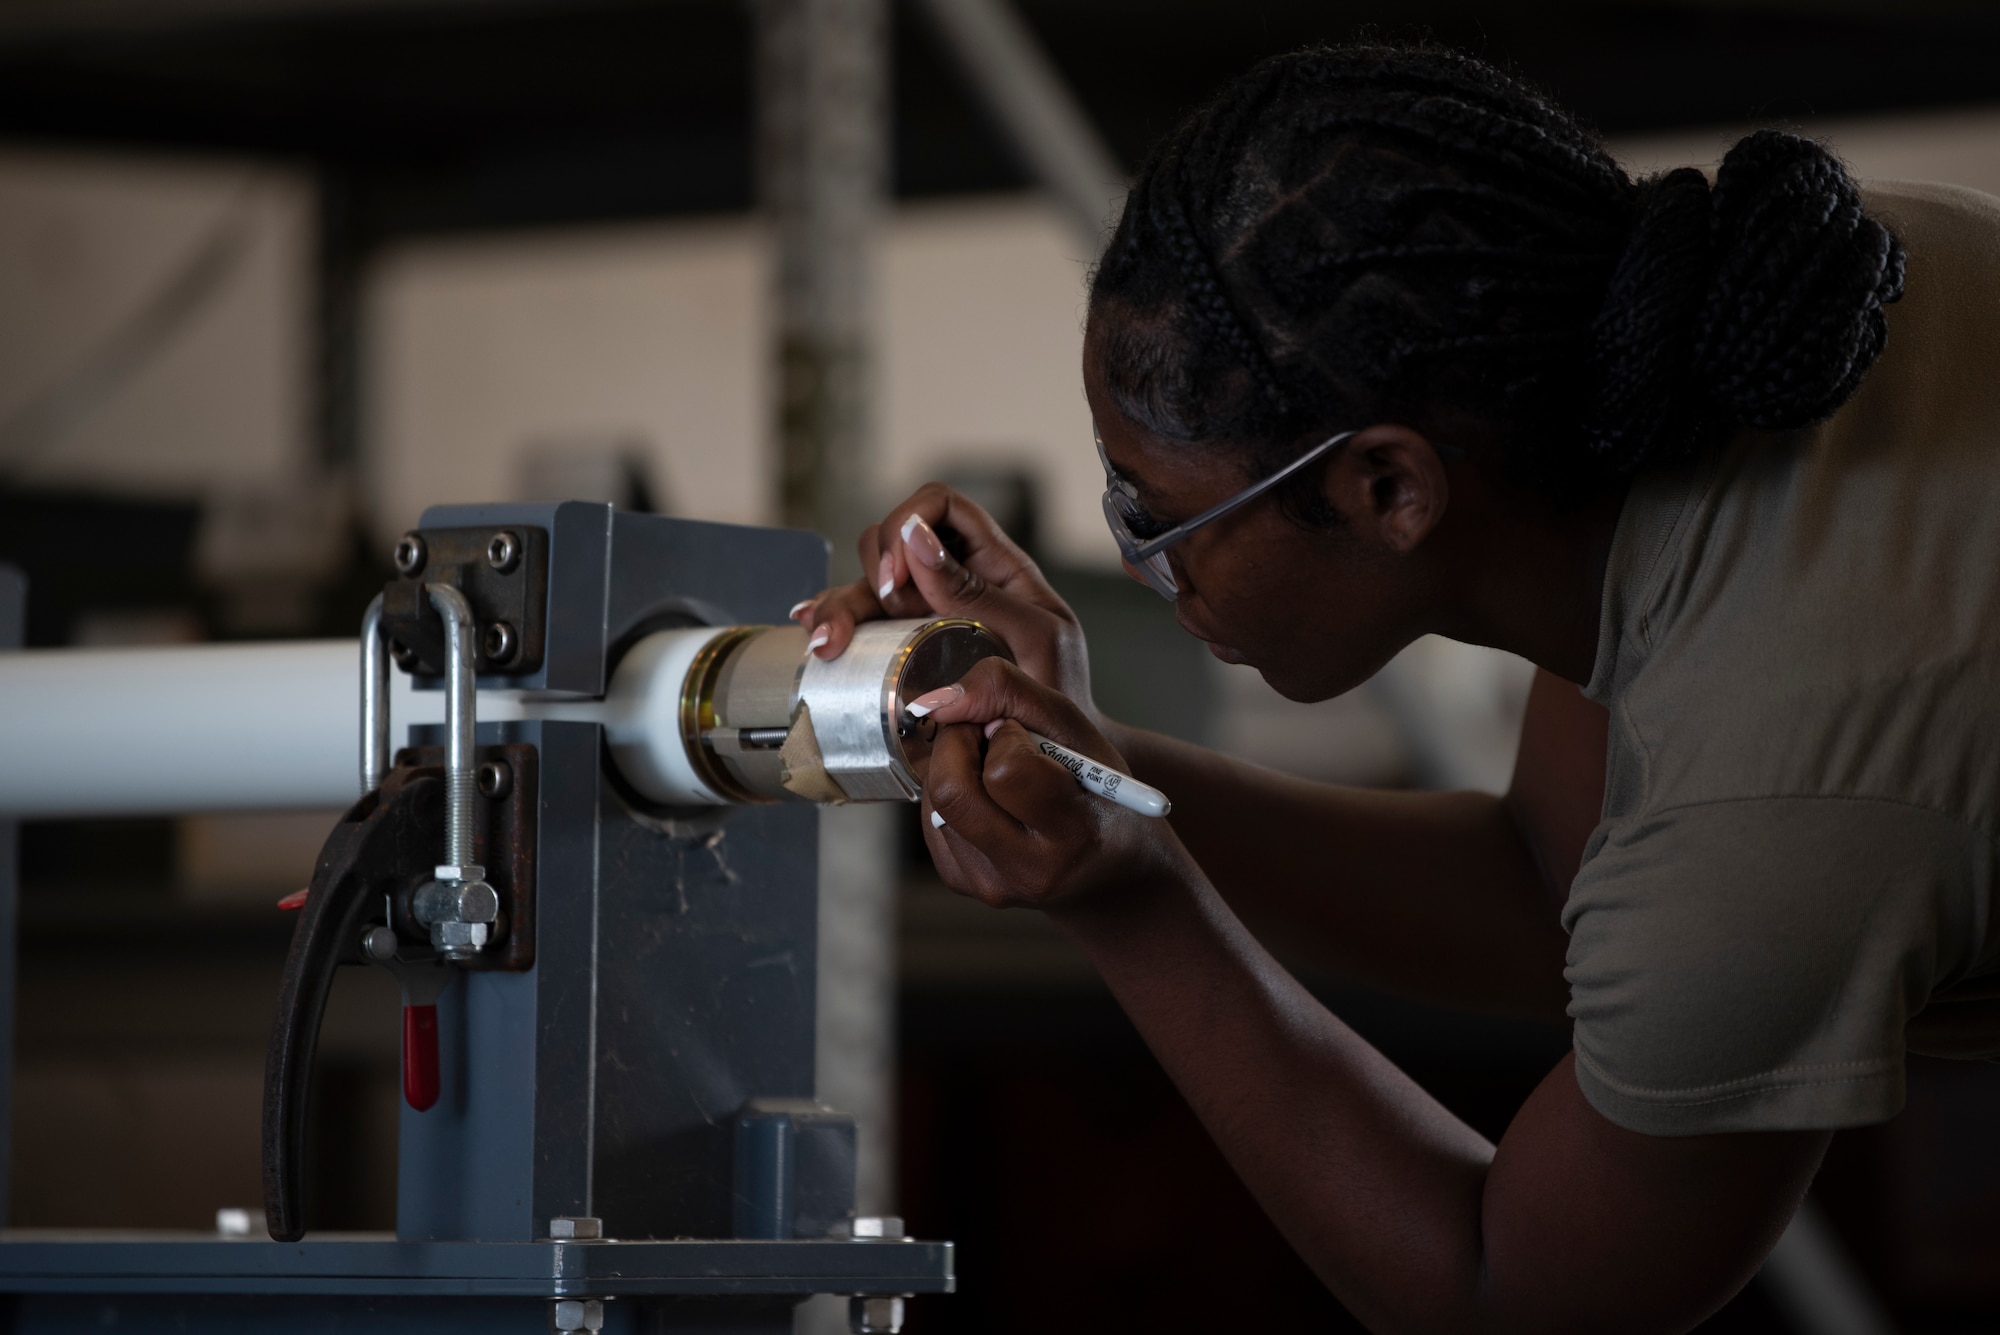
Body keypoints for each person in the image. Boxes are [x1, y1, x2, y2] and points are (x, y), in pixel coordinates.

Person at [792, 43, 2000, 1333]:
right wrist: (1105, 773)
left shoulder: (1770, 800)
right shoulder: (1801, 311)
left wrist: (1135, 904)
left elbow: (1508, 1299)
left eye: (1159, 519)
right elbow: (1560, 886)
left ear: (1389, 490)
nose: (1150, 573)